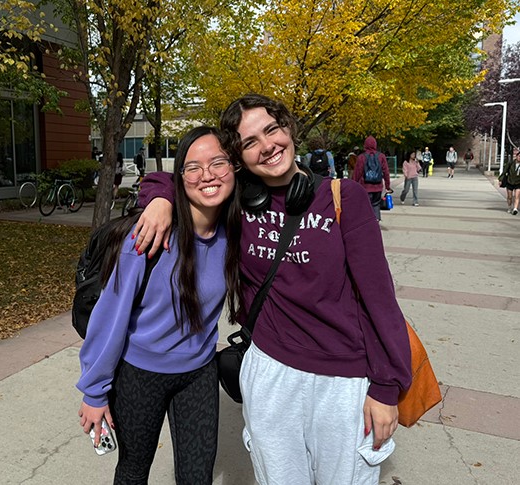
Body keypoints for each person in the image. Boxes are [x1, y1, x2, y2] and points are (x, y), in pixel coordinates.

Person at [132, 94, 412, 485]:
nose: (267, 146)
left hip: (343, 380)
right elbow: (183, 178)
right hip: (271, 374)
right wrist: (159, 199)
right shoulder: (238, 204)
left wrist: (386, 386)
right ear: (240, 158)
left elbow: (379, 297)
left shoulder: (341, 197)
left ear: (288, 130)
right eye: (249, 142)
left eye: (272, 130)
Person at [77, 126, 241, 484]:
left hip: (198, 373)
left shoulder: (236, 233)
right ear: (179, 177)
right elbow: (111, 317)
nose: (207, 175)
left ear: (234, 168)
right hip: (139, 374)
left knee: (198, 477)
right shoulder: (150, 235)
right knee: (134, 472)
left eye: (218, 162)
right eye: (193, 167)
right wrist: (94, 391)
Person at [352, 136, 393, 222]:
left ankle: (366, 222)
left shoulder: (362, 157)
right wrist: (387, 186)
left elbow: (357, 173)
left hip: (365, 186)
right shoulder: (381, 156)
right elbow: (386, 172)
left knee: (365, 205)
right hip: (378, 186)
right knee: (376, 204)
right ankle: (376, 220)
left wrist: (353, 185)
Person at [499, 147, 520, 215]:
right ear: (516, 156)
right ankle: (509, 207)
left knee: (517, 196)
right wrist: (501, 179)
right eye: (519, 156)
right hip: (510, 181)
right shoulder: (510, 163)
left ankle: (515, 208)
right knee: (510, 197)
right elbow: (504, 172)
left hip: (518, 182)